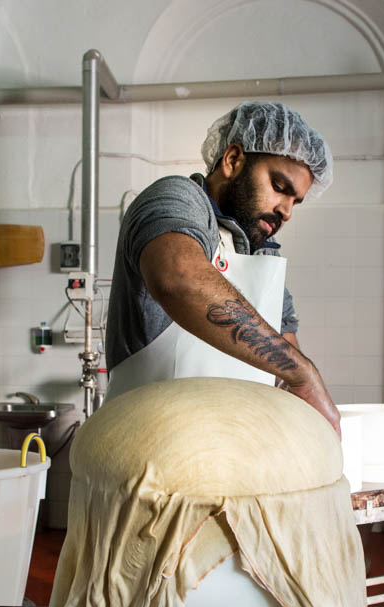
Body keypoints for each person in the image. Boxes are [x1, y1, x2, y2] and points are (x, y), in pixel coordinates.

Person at [103, 101, 340, 435]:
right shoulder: (176, 198)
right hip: (145, 450)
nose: (286, 210)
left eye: (295, 201)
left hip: (230, 455)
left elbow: (285, 367)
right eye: (279, 187)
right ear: (232, 160)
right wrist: (303, 372)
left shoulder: (263, 256)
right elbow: (180, 278)